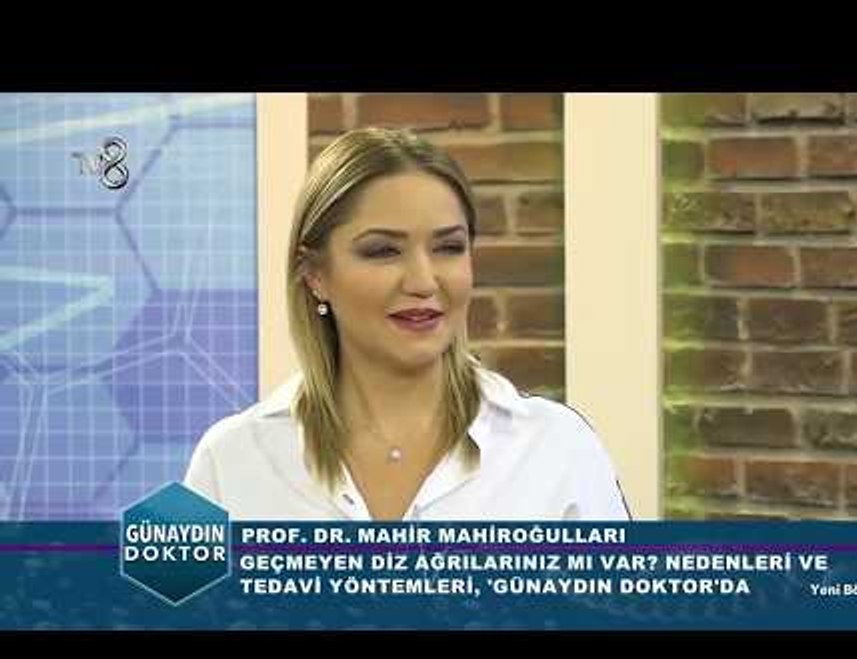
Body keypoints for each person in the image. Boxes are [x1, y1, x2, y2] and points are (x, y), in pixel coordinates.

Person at [183, 127, 630, 521]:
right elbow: (158, 594)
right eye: (383, 251)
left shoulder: (558, 448)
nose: (423, 281)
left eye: (448, 248)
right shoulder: (229, 459)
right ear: (315, 275)